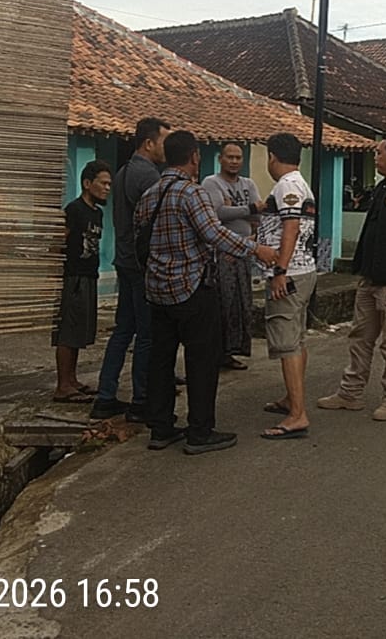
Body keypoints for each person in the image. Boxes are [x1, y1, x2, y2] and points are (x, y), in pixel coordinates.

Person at [135, 130, 277, 454]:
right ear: (194, 157)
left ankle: (161, 428)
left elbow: (137, 238)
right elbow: (213, 233)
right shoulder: (192, 192)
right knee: (202, 360)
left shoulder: (150, 194)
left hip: (157, 290)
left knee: (161, 360)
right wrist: (256, 249)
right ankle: (200, 431)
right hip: (192, 287)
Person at [318, 132, 386, 422]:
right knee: (360, 337)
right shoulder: (382, 188)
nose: (375, 157)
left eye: (379, 153)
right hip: (370, 276)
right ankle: (350, 392)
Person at [91, 117, 170, 420]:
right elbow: (157, 222)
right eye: (163, 142)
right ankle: (141, 399)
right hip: (140, 264)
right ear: (149, 143)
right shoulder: (148, 175)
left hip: (124, 260)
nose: (166, 149)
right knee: (146, 334)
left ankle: (105, 395)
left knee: (123, 330)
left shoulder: (124, 170)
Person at [257, 133, 318, 440]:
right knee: (297, 338)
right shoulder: (297, 183)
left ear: (272, 157)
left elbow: (290, 227)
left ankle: (297, 414)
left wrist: (280, 270)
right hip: (302, 271)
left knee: (287, 343)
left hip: (290, 273)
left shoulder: (286, 185)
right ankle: (291, 399)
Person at [201, 142, 264, 372]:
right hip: (222, 254)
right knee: (222, 304)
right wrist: (249, 209)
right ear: (221, 159)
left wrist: (240, 211)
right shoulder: (211, 183)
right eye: (230, 157)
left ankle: (230, 352)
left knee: (241, 304)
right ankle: (215, 353)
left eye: (238, 157)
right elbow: (217, 213)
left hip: (244, 252)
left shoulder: (248, 184)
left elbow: (259, 215)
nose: (234, 161)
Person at [53, 160, 112, 402]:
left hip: (89, 275)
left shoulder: (97, 213)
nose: (107, 188)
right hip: (73, 277)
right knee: (68, 331)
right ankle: (62, 385)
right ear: (88, 183)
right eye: (103, 183)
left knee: (79, 331)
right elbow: (59, 241)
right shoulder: (74, 209)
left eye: (109, 184)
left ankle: (72, 379)